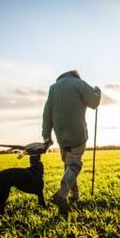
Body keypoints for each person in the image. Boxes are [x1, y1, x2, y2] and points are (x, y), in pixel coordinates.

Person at [42, 70, 101, 216]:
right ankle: (62, 194)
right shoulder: (79, 84)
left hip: (60, 133)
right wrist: (97, 91)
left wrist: (46, 135)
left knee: (68, 163)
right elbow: (94, 102)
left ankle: (74, 195)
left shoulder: (53, 88)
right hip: (77, 131)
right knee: (74, 163)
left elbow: (47, 113)